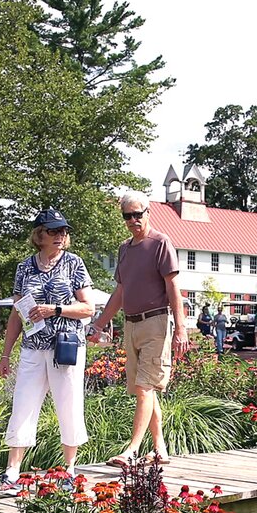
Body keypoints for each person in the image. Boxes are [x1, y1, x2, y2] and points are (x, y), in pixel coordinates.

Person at [88, 191, 190, 467]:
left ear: (148, 212)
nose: (133, 220)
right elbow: (120, 291)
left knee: (145, 387)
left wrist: (181, 328)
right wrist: (98, 324)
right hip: (131, 324)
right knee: (145, 389)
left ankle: (131, 449)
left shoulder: (161, 243)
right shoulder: (125, 248)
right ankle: (160, 449)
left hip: (156, 322)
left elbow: (173, 287)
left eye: (138, 214)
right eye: (127, 215)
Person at [0, 208, 94, 495]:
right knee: (23, 405)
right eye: (54, 231)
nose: (61, 235)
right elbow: (17, 314)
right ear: (39, 235)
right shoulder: (24, 268)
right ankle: (12, 471)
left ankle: (69, 469)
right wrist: (5, 354)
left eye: (63, 230)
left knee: (69, 404)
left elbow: (88, 308)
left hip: (66, 346)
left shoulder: (75, 264)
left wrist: (56, 310)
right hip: (33, 347)